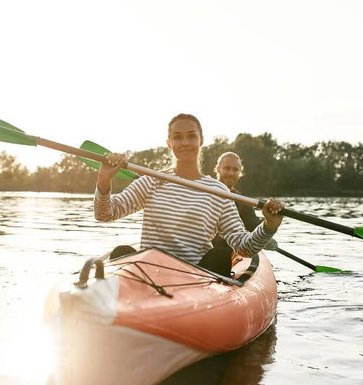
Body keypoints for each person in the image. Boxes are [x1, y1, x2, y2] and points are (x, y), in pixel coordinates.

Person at [94, 114, 283, 275]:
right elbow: (105, 214)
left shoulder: (219, 193)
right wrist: (104, 181)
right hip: (149, 274)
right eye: (177, 137)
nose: (185, 143)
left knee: (219, 256)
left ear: (201, 140)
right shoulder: (151, 181)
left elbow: (244, 247)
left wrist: (269, 226)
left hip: (195, 278)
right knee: (122, 252)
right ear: (169, 143)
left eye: (191, 136)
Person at [212, 151, 278, 252]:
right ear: (218, 169)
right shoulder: (203, 191)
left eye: (235, 169)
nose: (230, 173)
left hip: (228, 250)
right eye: (226, 168)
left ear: (240, 173)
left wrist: (268, 235)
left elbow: (252, 225)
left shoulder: (243, 201)